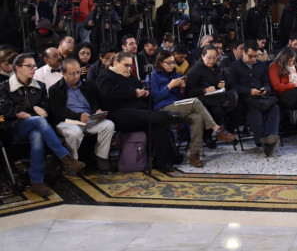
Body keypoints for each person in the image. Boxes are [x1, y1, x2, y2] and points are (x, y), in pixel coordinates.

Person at [0, 53, 86, 196]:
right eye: (30, 66)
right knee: (38, 121)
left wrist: (36, 113)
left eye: (35, 65)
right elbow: (5, 109)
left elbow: (45, 110)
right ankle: (65, 157)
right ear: (18, 68)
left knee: (37, 135)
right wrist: (30, 110)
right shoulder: (4, 87)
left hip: (37, 127)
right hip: (13, 128)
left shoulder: (39, 86)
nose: (34, 68)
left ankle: (37, 182)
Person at [95, 51, 181, 172]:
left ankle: (163, 162)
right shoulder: (105, 75)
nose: (129, 69)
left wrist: (145, 93)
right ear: (115, 63)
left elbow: (139, 90)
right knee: (151, 116)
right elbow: (108, 96)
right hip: (118, 113)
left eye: (130, 66)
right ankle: (166, 116)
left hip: (138, 112)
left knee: (157, 124)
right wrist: (134, 93)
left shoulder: (130, 76)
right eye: (126, 65)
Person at [147, 50, 235, 168]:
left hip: (178, 105)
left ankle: (194, 154)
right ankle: (218, 129)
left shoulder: (176, 75)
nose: (172, 65)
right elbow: (155, 98)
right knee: (196, 102)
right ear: (160, 63)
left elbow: (184, 97)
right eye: (169, 63)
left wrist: (182, 88)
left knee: (197, 118)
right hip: (162, 108)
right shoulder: (153, 76)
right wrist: (170, 86)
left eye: (173, 63)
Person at [49, 58, 115, 172]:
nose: (76, 76)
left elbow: (94, 102)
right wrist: (78, 116)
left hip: (88, 118)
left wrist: (97, 111)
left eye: (78, 72)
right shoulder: (55, 89)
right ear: (63, 73)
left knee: (108, 125)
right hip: (68, 120)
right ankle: (72, 161)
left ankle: (101, 156)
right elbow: (59, 112)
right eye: (72, 73)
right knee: (75, 133)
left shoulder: (87, 85)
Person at [226, 40, 281, 156]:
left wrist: (265, 89)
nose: (253, 59)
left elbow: (267, 82)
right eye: (250, 56)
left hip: (262, 97)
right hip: (246, 98)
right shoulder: (235, 66)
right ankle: (262, 141)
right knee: (255, 112)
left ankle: (269, 138)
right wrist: (249, 91)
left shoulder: (260, 65)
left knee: (274, 108)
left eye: (255, 56)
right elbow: (231, 85)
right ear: (243, 53)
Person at [184, 45, 240, 143]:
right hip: (200, 101)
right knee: (218, 111)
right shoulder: (195, 70)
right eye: (209, 57)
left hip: (216, 97)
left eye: (215, 57)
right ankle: (208, 135)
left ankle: (225, 131)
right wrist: (204, 90)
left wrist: (222, 85)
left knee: (237, 106)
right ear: (202, 56)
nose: (212, 60)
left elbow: (220, 82)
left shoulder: (216, 68)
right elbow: (189, 92)